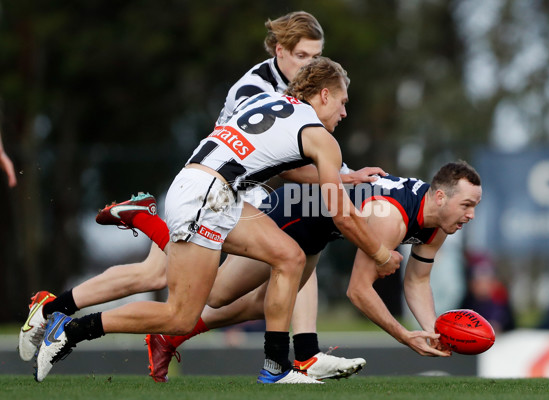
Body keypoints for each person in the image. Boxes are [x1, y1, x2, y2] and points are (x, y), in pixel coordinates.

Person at [18, 11, 376, 381]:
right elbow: (289, 170)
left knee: (289, 255)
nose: (309, 65)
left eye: (315, 58)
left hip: (219, 193)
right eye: (304, 57)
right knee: (179, 309)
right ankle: (71, 326)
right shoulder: (257, 90)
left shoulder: (285, 100)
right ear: (282, 52)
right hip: (212, 194)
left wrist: (341, 175)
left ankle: (282, 364)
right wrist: (376, 247)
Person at [126, 160, 482, 375]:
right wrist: (405, 337)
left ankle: (170, 337)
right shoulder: (391, 219)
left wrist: (433, 332)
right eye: (466, 205)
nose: (471, 215)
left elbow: (417, 283)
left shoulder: (439, 224)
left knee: (257, 305)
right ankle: (150, 221)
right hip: (291, 214)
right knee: (216, 294)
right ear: (440, 197)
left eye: (474, 206)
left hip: (317, 230)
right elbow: (358, 291)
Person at [459, 251, 515, 333]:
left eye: (487, 282)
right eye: (478, 282)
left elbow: (508, 325)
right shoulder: (466, 303)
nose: (483, 286)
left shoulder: (500, 300)